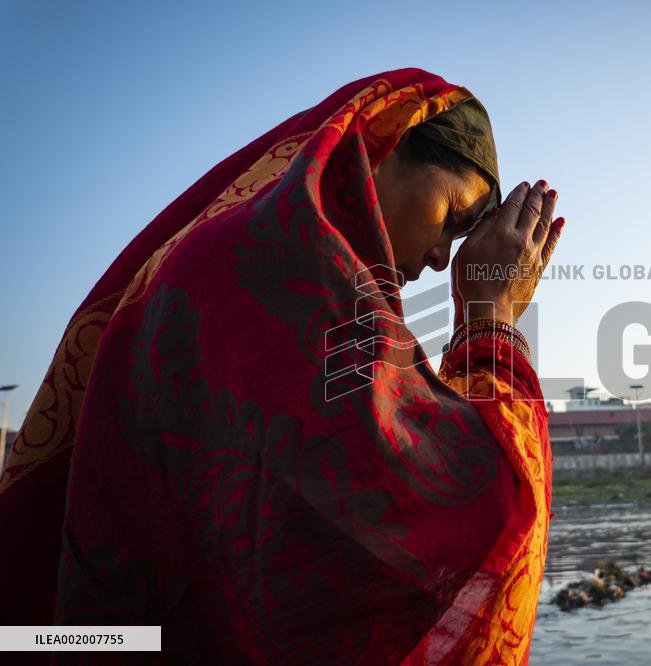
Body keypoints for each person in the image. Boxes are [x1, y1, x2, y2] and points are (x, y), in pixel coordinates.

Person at [0, 67, 564, 665]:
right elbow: (489, 508)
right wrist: (491, 313)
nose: (438, 258)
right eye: (450, 217)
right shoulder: (291, 274)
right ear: (384, 141)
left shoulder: (245, 260)